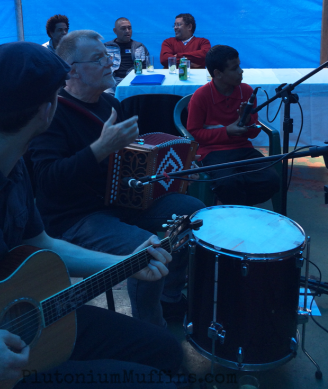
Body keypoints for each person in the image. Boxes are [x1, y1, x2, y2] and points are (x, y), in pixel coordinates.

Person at [0, 41, 184, 388]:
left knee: (165, 351)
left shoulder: (12, 162)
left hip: (26, 325)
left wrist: (127, 262)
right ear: (46, 110)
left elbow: (41, 243)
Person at [29, 30, 204, 329]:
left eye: (107, 56)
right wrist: (100, 148)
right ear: (71, 69)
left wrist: (171, 168)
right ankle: (151, 331)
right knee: (146, 252)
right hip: (75, 217)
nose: (110, 63)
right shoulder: (51, 113)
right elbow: (46, 181)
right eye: (99, 59)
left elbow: (129, 161)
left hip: (121, 201)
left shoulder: (111, 106)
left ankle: (170, 299)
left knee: (194, 213)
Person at [186, 44, 280, 206]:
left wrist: (247, 120)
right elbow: (195, 133)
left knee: (271, 180)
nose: (241, 71)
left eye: (239, 65)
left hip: (243, 149)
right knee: (228, 183)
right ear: (218, 74)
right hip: (211, 152)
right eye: (234, 68)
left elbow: (252, 133)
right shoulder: (201, 96)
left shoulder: (246, 91)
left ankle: (237, 209)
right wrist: (227, 132)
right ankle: (237, 213)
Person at [104, 17, 149, 92]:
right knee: (106, 94)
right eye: (123, 28)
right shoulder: (106, 47)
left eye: (129, 28)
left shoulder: (139, 47)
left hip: (134, 80)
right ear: (115, 31)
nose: (127, 31)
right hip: (112, 82)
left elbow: (146, 66)